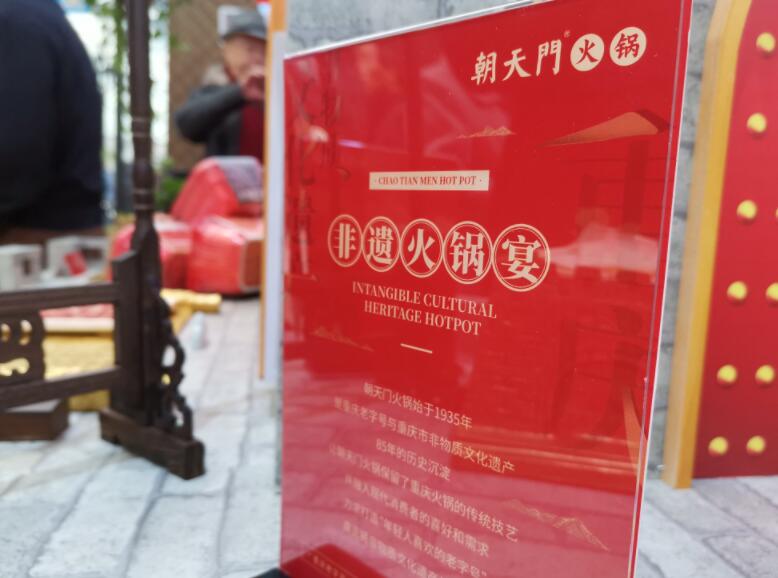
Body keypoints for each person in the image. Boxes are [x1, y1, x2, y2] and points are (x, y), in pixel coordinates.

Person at [0, 0, 104, 244]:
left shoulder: (13, 21)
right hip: (56, 233)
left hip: (31, 239)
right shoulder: (32, 15)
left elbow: (16, 147)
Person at [175, 9, 267, 164]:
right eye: (250, 49)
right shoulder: (215, 85)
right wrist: (239, 92)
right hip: (227, 178)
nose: (258, 57)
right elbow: (186, 126)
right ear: (227, 51)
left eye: (263, 49)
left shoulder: (277, 87)